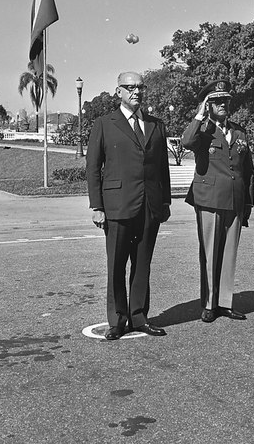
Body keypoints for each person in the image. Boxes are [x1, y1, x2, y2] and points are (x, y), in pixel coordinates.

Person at [86, 71, 171, 340]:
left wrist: (166, 200)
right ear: (119, 92)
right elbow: (93, 169)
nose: (137, 91)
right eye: (130, 87)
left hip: (149, 206)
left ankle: (138, 316)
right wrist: (97, 206)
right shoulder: (104, 123)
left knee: (142, 264)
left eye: (140, 87)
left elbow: (162, 168)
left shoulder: (156, 125)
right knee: (117, 264)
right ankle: (118, 319)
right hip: (117, 206)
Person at [181, 79, 254, 323]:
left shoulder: (239, 131)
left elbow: (248, 170)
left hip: (235, 200)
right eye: (216, 101)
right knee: (210, 253)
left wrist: (248, 203)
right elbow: (186, 142)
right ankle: (210, 304)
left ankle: (225, 302)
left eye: (226, 101)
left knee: (229, 253)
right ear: (208, 105)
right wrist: (199, 115)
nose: (222, 105)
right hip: (210, 199)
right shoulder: (202, 131)